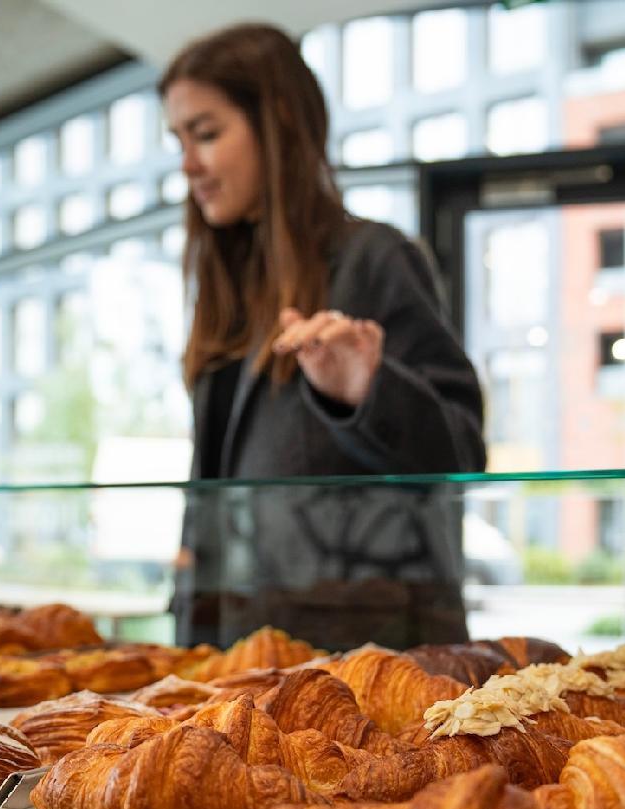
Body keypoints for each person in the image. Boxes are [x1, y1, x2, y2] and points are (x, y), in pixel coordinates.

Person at [160, 23, 486, 650]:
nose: (188, 163)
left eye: (206, 133)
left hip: (362, 660)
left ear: (279, 124)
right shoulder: (228, 286)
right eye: (179, 139)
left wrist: (365, 393)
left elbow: (461, 452)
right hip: (238, 648)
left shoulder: (373, 260)